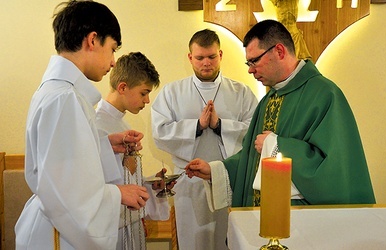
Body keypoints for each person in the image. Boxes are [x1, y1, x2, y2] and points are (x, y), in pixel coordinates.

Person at [185, 20, 376, 211]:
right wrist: (216, 170)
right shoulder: (268, 100)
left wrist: (276, 146)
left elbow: (335, 169)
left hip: (301, 218)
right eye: (248, 63)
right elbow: (252, 159)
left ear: (279, 51)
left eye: (254, 61)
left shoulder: (324, 94)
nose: (250, 69)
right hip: (264, 217)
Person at [15, 1, 149, 249]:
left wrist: (104, 144)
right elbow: (66, 191)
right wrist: (119, 193)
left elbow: (61, 163)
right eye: (112, 49)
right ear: (92, 40)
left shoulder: (60, 91)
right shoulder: (64, 97)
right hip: (58, 235)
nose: (112, 62)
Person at [151, 29, 258, 250]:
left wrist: (220, 126)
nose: (206, 63)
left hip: (229, 180)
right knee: (194, 242)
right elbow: (160, 132)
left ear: (220, 55)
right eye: (199, 58)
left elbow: (256, 132)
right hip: (189, 184)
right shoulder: (172, 92)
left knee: (229, 241)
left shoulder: (242, 92)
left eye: (211, 57)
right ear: (190, 57)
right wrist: (197, 127)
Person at [95, 52, 172, 250]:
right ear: (122, 87)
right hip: (111, 231)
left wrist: (151, 184)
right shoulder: (96, 125)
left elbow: (122, 178)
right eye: (143, 92)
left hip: (129, 224)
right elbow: (96, 187)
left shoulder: (121, 121)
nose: (147, 101)